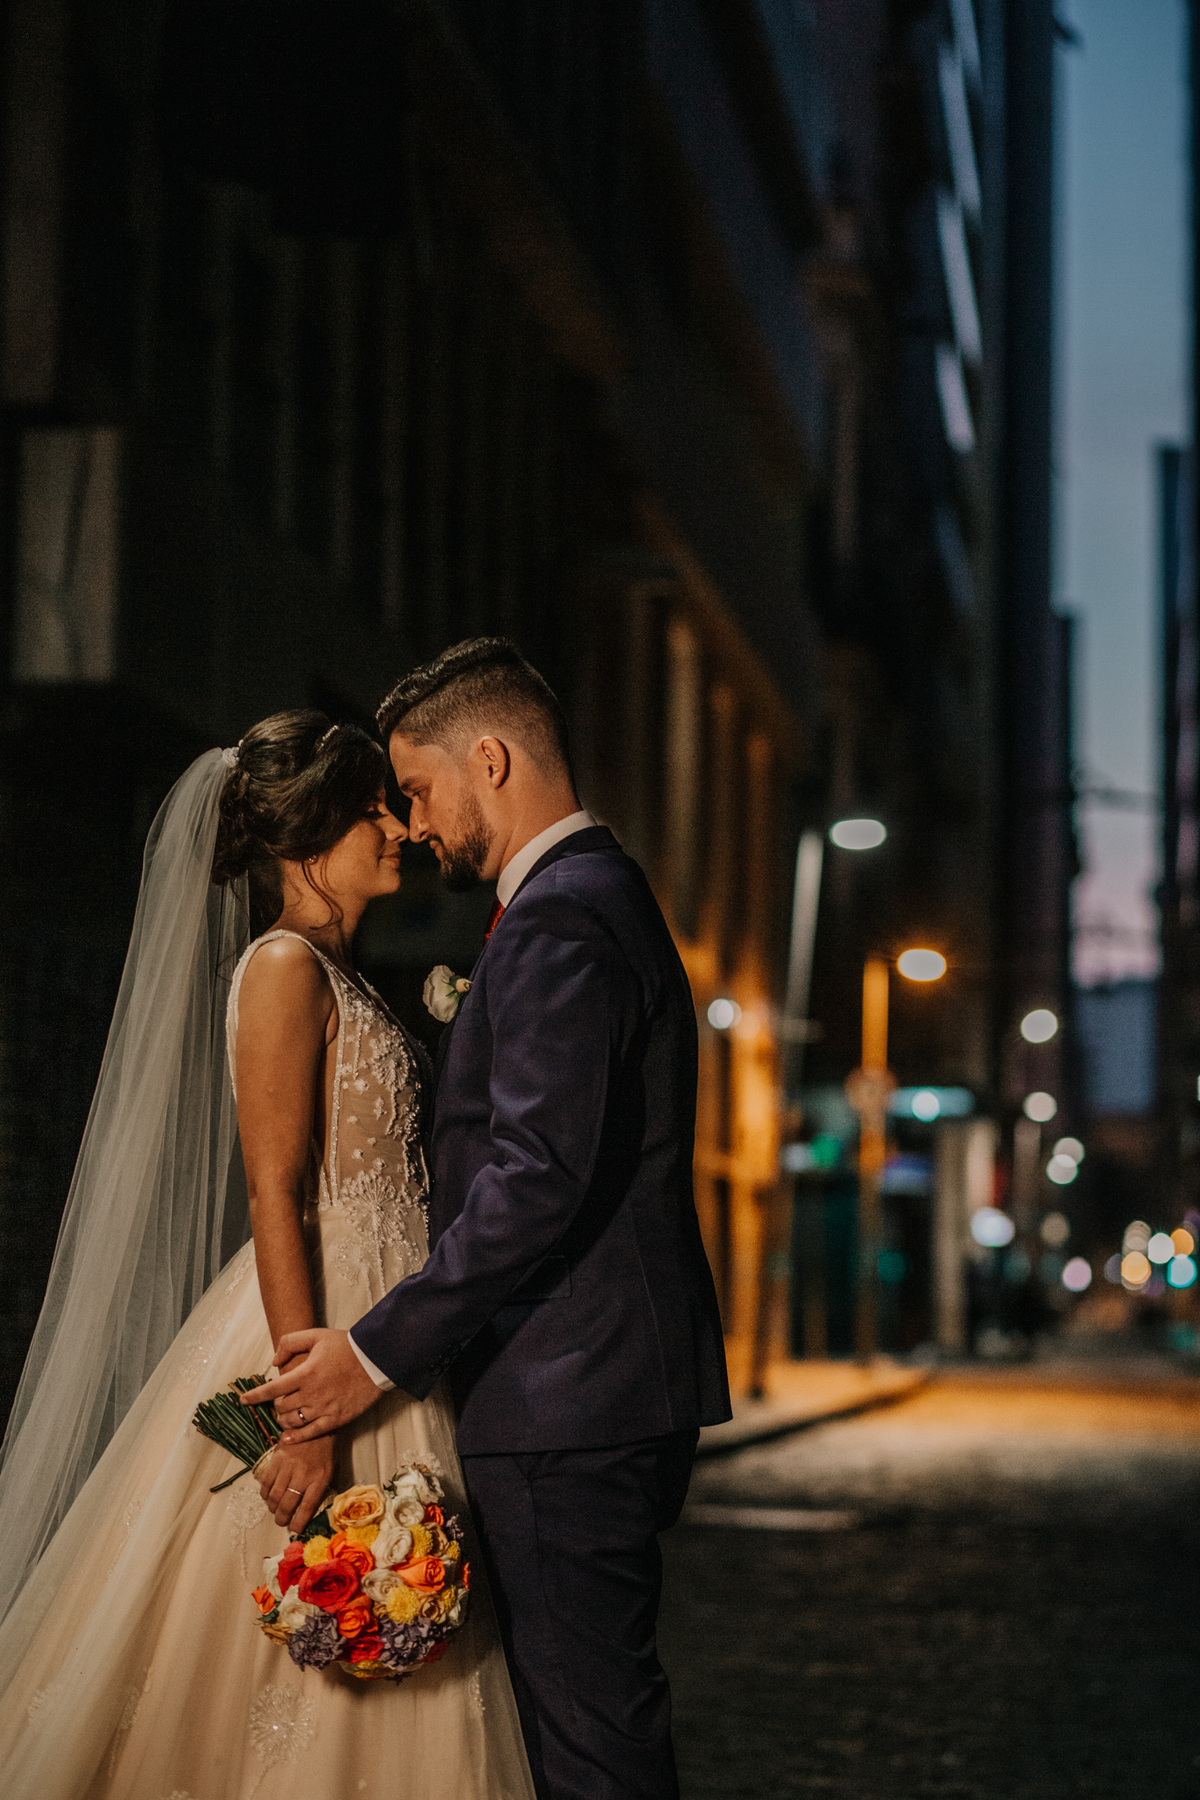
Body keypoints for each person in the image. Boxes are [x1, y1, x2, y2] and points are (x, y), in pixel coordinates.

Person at [0, 711, 534, 1800]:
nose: (395, 828)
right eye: (369, 811)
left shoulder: (350, 974)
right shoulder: (284, 966)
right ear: (306, 838)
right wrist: (303, 1412)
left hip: (391, 1336)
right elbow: (275, 1192)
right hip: (322, 1331)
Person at [245, 641, 732, 1800]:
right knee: (577, 1722)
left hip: (568, 1395)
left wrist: (369, 1353)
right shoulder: (581, 902)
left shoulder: (564, 917)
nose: (413, 823)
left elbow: (536, 1176)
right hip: (588, 1383)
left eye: (417, 788)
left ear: (492, 758)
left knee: (592, 1739)